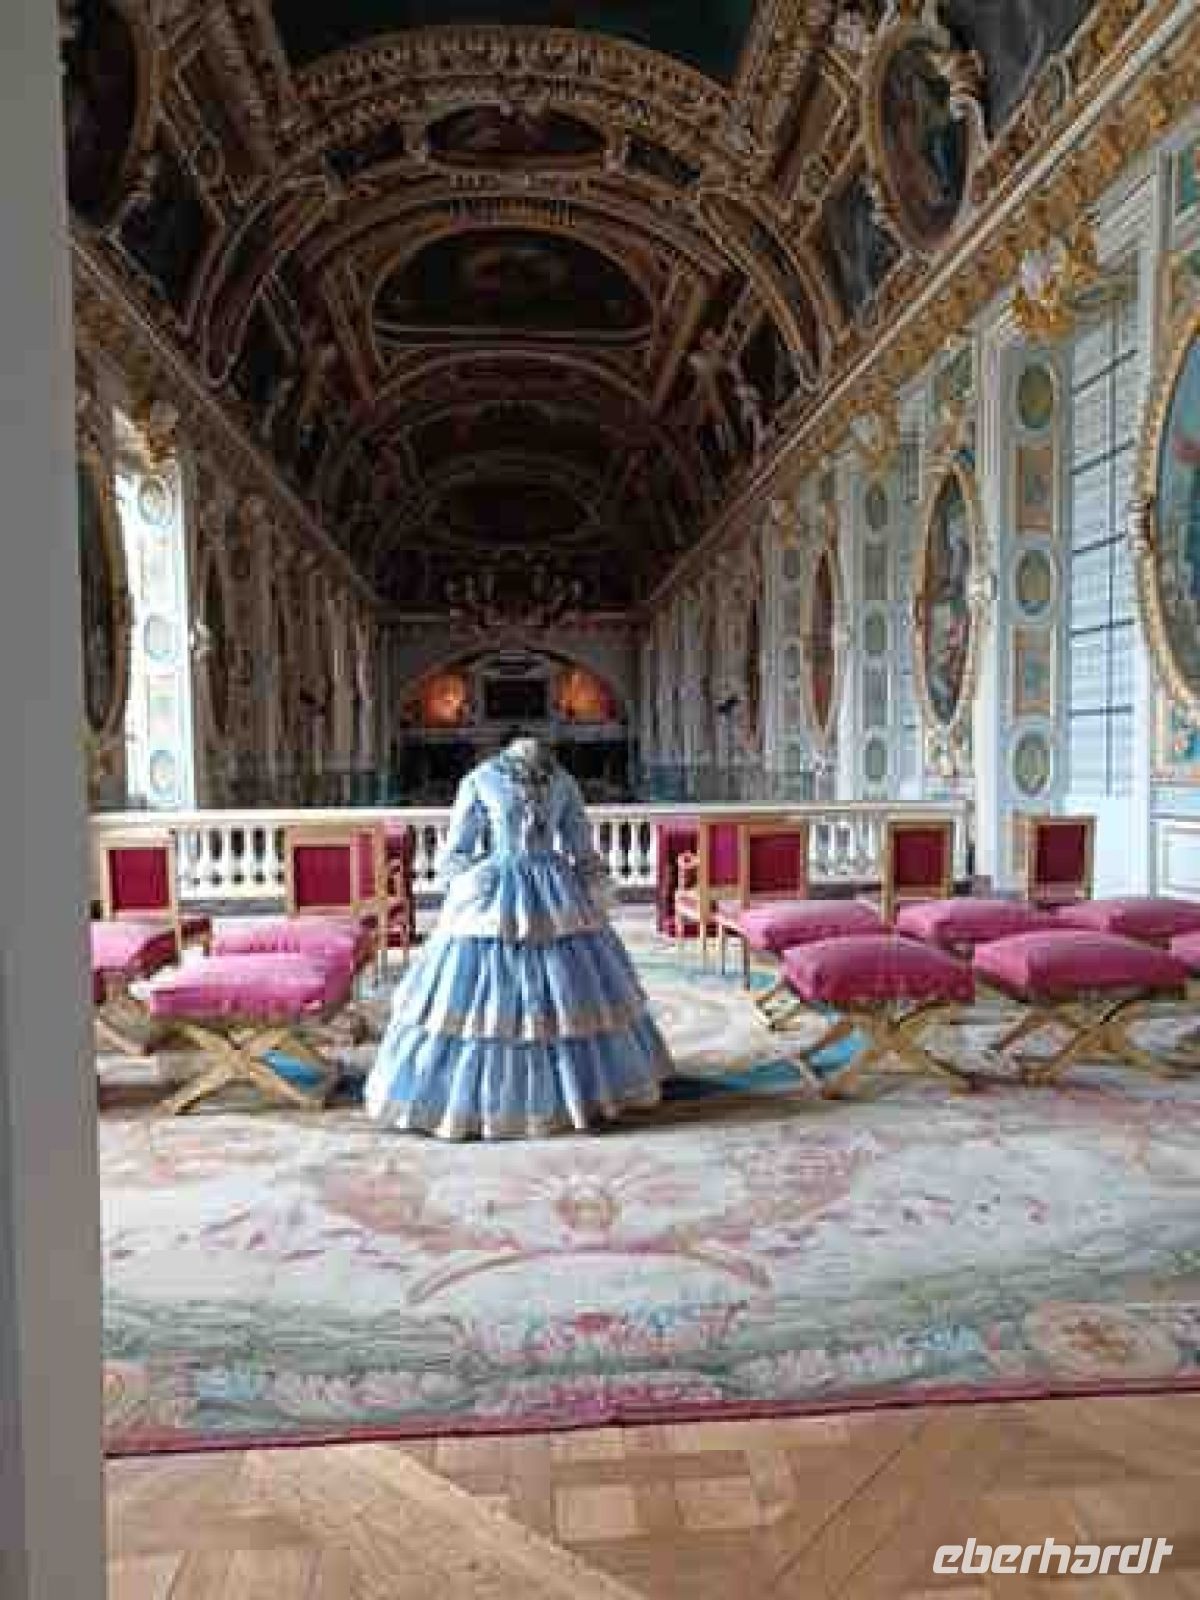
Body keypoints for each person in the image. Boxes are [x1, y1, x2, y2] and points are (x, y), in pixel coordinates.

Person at [365, 735, 672, 1138]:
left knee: (568, 996)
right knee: (481, 998)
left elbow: (582, 847)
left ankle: (576, 1093)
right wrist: (468, 891)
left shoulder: (562, 781)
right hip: (496, 889)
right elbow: (458, 849)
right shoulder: (479, 780)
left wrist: (594, 888)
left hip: (556, 892)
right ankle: (472, 1102)